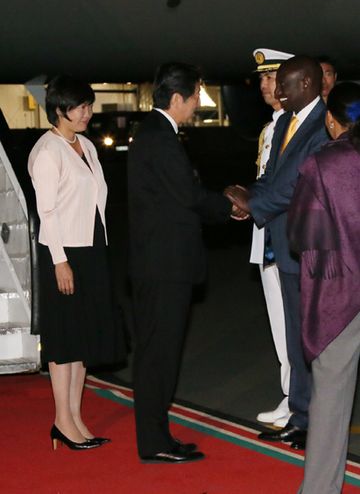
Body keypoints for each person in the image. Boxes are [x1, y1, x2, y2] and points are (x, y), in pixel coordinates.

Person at [127, 62, 235, 463]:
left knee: (157, 351)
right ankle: (154, 442)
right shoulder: (160, 138)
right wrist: (231, 207)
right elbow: (189, 196)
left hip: (158, 264)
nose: (195, 105)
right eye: (193, 98)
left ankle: (155, 435)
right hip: (164, 267)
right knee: (160, 354)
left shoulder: (154, 134)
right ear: (177, 99)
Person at [226, 56, 328, 449]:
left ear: (307, 83)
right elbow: (271, 176)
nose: (278, 91)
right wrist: (247, 198)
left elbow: (294, 185)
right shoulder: (285, 121)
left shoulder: (323, 126)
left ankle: (316, 419)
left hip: (310, 247)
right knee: (294, 336)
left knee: (311, 338)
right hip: (285, 244)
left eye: (284, 84)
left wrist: (253, 205)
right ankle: (300, 415)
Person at [28, 75, 126, 451]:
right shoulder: (47, 152)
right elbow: (46, 213)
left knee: (84, 336)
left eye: (88, 105)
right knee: (66, 336)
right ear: (59, 110)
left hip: (92, 246)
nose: (88, 113)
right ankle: (62, 419)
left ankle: (74, 417)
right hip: (64, 251)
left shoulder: (85, 144)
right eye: (80, 107)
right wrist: (59, 261)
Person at [288, 82, 360, 494]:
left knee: (331, 402)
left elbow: (302, 236)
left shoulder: (324, 166)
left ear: (331, 120)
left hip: (341, 295)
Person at [251, 48, 293, 428]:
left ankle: (297, 398)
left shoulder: (293, 126)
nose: (265, 84)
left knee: (293, 322)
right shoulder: (271, 127)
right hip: (265, 237)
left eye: (272, 77)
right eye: (262, 77)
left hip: (286, 238)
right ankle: (289, 395)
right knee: (278, 322)